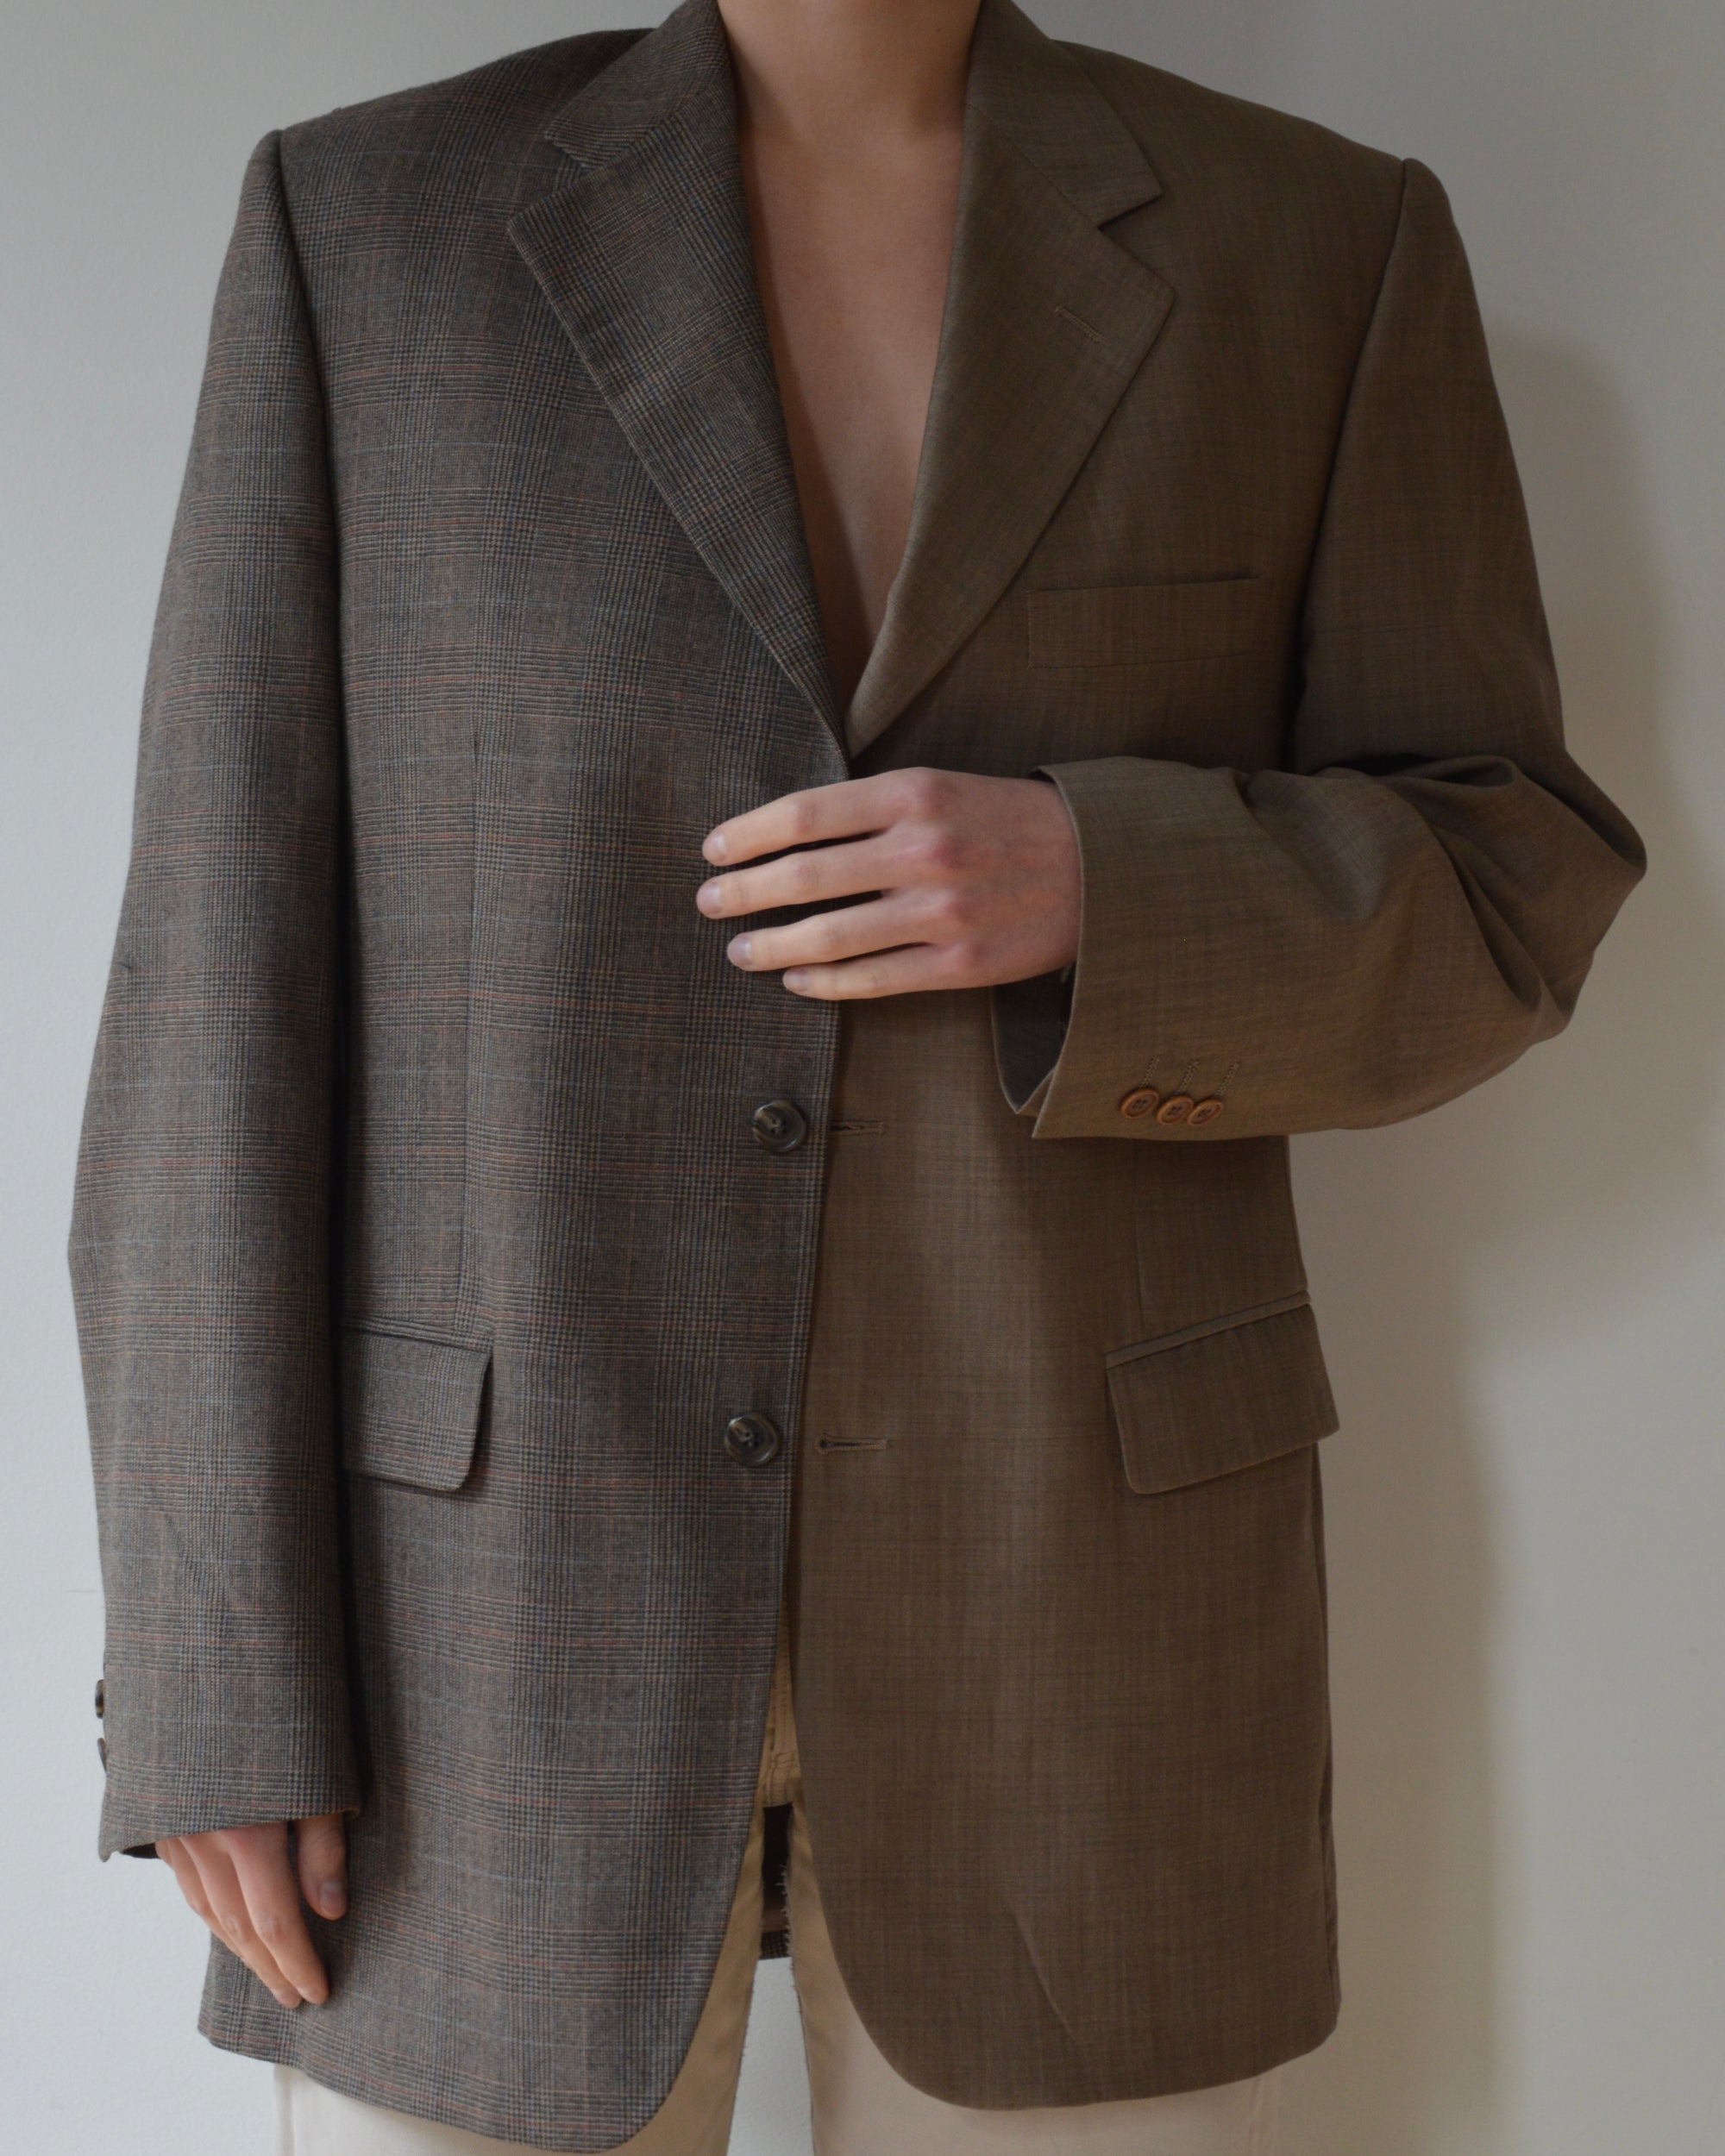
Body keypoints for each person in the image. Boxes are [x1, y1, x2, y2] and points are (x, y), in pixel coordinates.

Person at [69, 0, 1645, 2150]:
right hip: (475, 1659)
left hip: (1084, 1634)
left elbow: (1507, 881)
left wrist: (1106, 875)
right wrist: (209, 1669)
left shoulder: (1313, 247)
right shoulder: (369, 230)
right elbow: (211, 988)